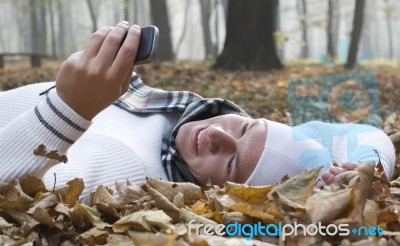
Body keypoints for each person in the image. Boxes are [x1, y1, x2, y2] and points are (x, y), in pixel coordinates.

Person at [0, 22, 396, 203]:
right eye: (243, 127)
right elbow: (362, 133)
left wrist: (68, 109)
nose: (219, 136)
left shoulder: (130, 168)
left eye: (230, 164)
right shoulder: (188, 115)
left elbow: (12, 186)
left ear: (225, 197)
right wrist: (362, 171)